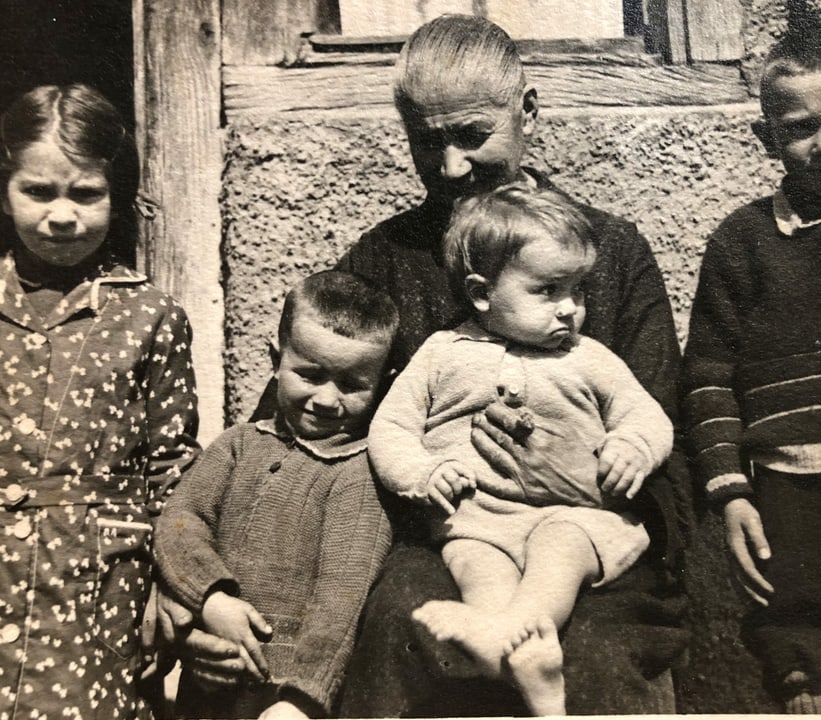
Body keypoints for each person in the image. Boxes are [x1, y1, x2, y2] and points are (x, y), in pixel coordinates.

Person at [166, 14, 691, 716]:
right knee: (399, 622)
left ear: (527, 111)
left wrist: (580, 473)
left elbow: (666, 455)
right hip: (441, 542)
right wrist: (202, 595)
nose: (450, 167)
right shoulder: (384, 259)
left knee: (591, 653)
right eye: (426, 141)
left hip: (590, 544)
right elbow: (288, 444)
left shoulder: (610, 255)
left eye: (473, 136)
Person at [368, 184, 674, 715]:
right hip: (481, 520)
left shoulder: (590, 358)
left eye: (578, 291)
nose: (570, 310)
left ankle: (515, 629)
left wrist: (633, 445)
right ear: (482, 293)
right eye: (548, 290)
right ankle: (521, 658)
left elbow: (643, 413)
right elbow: (391, 428)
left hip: (576, 516)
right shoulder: (441, 354)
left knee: (559, 546)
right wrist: (422, 473)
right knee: (473, 561)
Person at [680, 21, 821, 715]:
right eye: (801, 126)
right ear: (766, 138)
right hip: (794, 491)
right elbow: (709, 373)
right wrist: (730, 491)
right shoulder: (745, 241)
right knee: (810, 640)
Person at [0, 84, 199, 719]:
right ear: (2, 192)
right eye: (38, 191)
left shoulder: (150, 315)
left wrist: (169, 588)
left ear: (118, 196)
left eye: (85, 193)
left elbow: (173, 470)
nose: (62, 215)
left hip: (94, 584)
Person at [153, 271, 396, 719]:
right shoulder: (238, 445)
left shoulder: (358, 474)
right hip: (207, 684)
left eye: (351, 384)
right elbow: (180, 521)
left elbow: (341, 600)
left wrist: (300, 698)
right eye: (311, 375)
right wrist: (210, 600)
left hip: (282, 702)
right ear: (274, 360)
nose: (327, 399)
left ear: (381, 384)